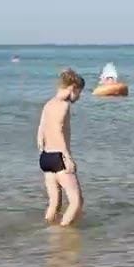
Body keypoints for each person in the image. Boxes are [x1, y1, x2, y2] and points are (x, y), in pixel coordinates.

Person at [37, 69, 86, 226]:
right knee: (76, 201)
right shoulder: (63, 105)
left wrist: (43, 148)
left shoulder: (48, 104)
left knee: (55, 202)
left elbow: (40, 130)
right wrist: (67, 157)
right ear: (73, 88)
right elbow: (58, 130)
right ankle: (63, 232)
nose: (78, 97)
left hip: (46, 157)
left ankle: (47, 230)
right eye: (79, 93)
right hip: (59, 157)